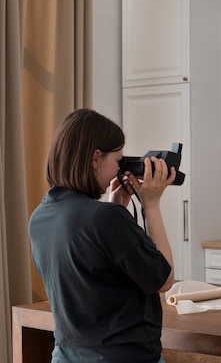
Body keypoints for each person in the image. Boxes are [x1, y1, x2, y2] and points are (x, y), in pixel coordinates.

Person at [29, 108, 175, 363]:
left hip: (66, 355)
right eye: (118, 162)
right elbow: (163, 279)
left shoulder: (40, 217)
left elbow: (94, 277)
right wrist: (150, 205)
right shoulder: (104, 219)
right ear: (96, 159)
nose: (120, 170)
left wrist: (114, 208)